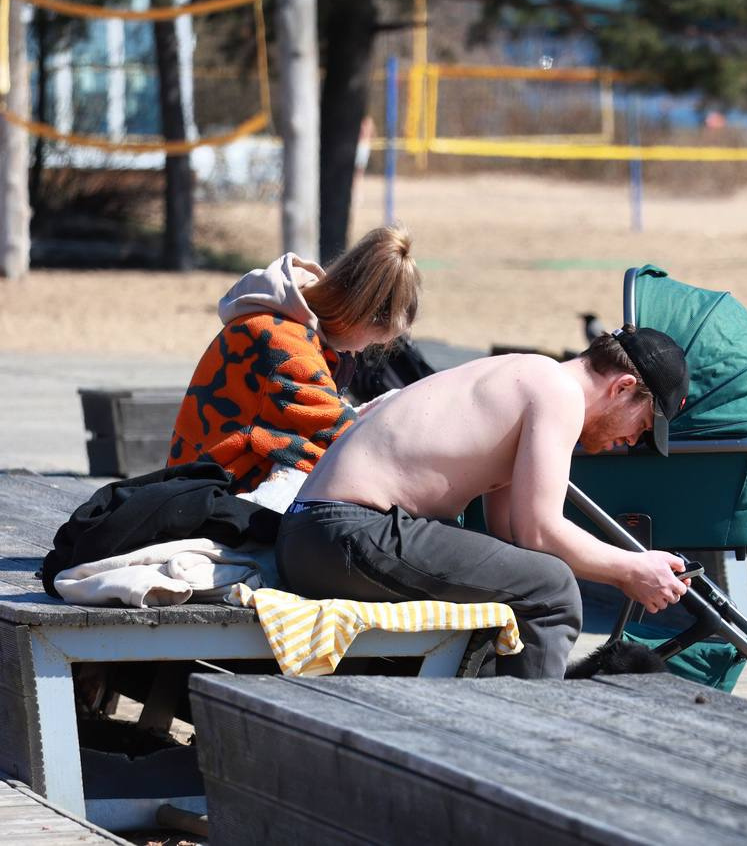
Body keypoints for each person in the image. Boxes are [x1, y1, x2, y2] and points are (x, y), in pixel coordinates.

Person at [275, 326, 694, 680]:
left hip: (318, 534)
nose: (632, 441)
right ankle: (534, 743)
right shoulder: (559, 392)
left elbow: (515, 540)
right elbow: (540, 531)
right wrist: (630, 568)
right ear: (622, 388)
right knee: (554, 592)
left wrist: (631, 571)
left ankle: (480, 713)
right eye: (641, 426)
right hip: (347, 531)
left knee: (533, 582)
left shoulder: (526, 375)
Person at [167, 225, 422, 499]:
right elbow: (350, 439)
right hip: (210, 499)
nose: (366, 350)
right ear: (359, 317)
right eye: (375, 340)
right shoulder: (288, 349)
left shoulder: (289, 329)